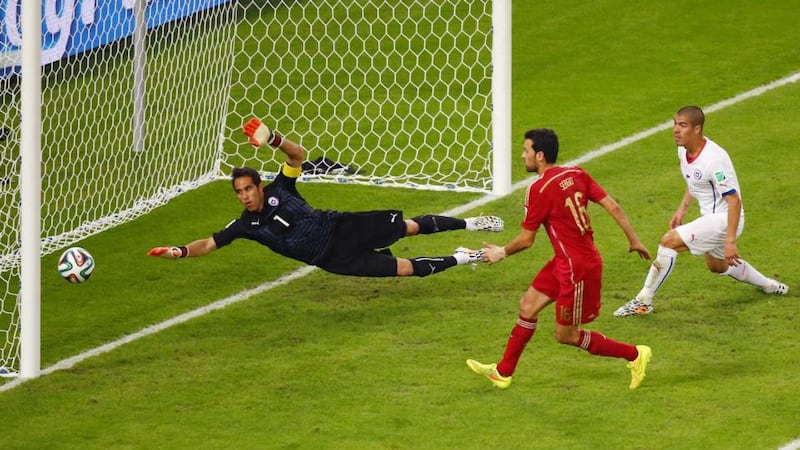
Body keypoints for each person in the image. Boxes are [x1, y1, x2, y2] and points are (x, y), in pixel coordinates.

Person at [147, 118, 503, 277]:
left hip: (342, 228)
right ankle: (463, 257)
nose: (243, 196)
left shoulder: (281, 189)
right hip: (331, 259)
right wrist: (178, 251)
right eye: (238, 192)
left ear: (259, 186)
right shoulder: (246, 226)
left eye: (248, 188)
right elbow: (209, 244)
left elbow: (297, 156)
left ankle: (472, 222)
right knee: (405, 269)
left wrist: (273, 139)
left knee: (408, 228)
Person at [465, 128, 653, 390]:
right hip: (565, 261)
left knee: (566, 335)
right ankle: (503, 371)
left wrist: (501, 251)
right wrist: (634, 239)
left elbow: (527, 239)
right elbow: (613, 206)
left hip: (577, 269)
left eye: (526, 150)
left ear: (539, 156)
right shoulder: (576, 173)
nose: (522, 156)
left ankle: (634, 354)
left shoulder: (539, 189)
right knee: (527, 306)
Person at [614, 106, 788, 317]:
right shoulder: (683, 149)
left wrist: (730, 241)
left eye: (683, 125)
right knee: (717, 266)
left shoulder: (714, 161)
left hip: (726, 219)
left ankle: (643, 301)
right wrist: (682, 209)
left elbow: (734, 201)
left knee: (668, 242)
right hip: (712, 218)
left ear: (697, 129)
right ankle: (769, 285)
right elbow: (694, 181)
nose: (676, 130)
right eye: (675, 124)